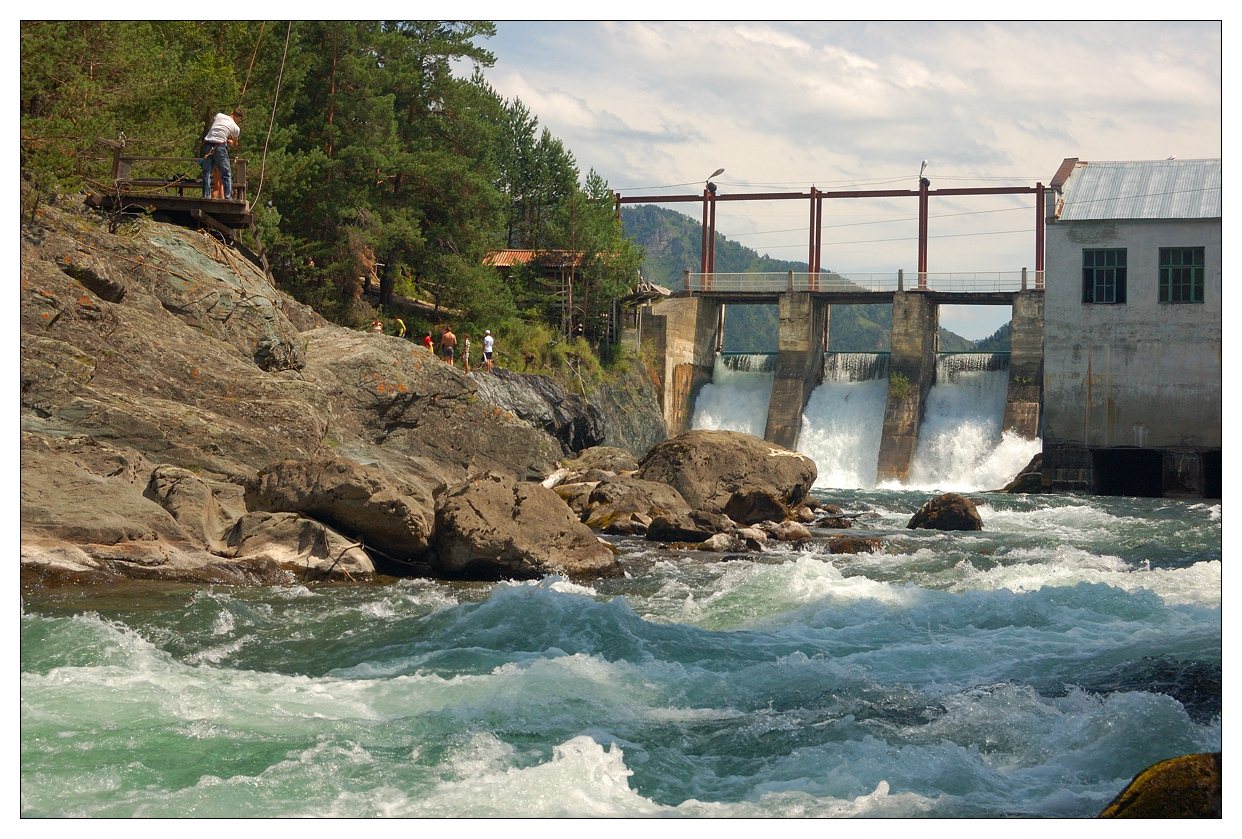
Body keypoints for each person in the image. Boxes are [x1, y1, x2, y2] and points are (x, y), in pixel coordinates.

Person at [201, 108, 242, 200]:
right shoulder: (235, 128)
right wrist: (231, 141)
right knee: (226, 173)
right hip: (219, 147)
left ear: (232, 113)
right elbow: (235, 145)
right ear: (238, 117)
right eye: (240, 119)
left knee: (206, 172)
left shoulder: (219, 115)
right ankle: (228, 197)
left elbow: (217, 128)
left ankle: (206, 196)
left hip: (208, 144)